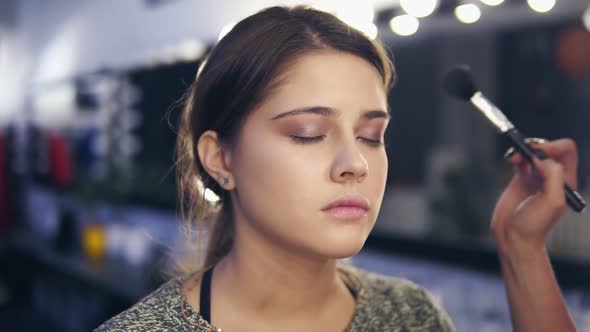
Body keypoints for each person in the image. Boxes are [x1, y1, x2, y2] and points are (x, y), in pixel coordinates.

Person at [95, 5, 578, 332]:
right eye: (307, 133)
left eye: (371, 136)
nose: (356, 164)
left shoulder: (410, 315)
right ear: (221, 159)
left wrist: (522, 249)